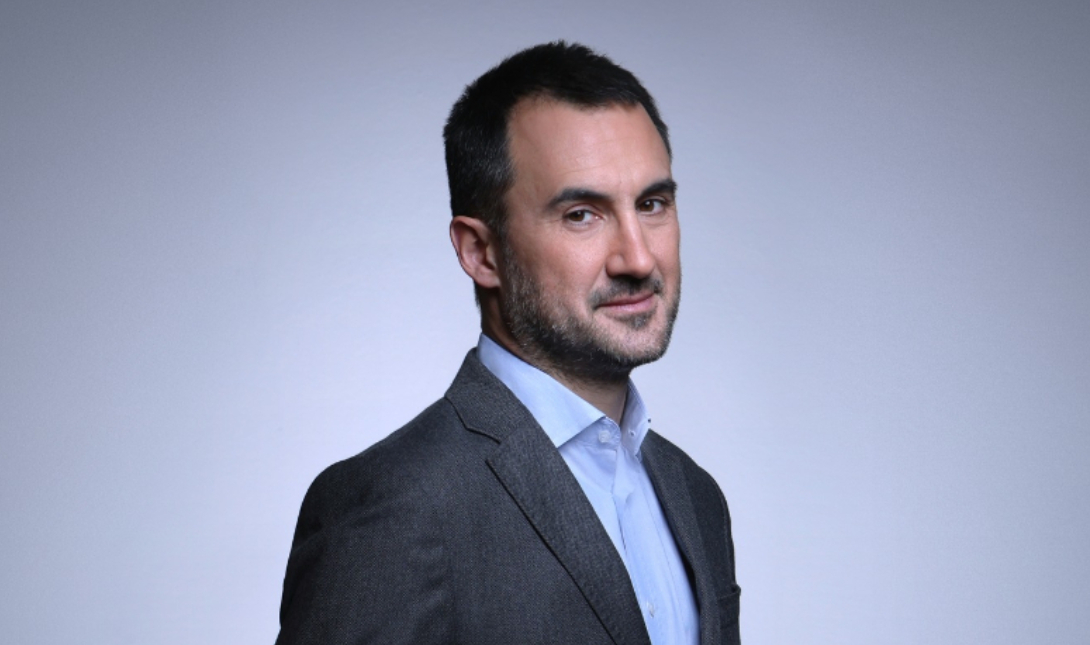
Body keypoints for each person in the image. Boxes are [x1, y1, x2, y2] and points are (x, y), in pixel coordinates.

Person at [275, 41, 741, 645]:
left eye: (653, 204)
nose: (638, 258)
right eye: (581, 214)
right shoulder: (395, 507)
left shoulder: (697, 497)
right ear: (481, 252)